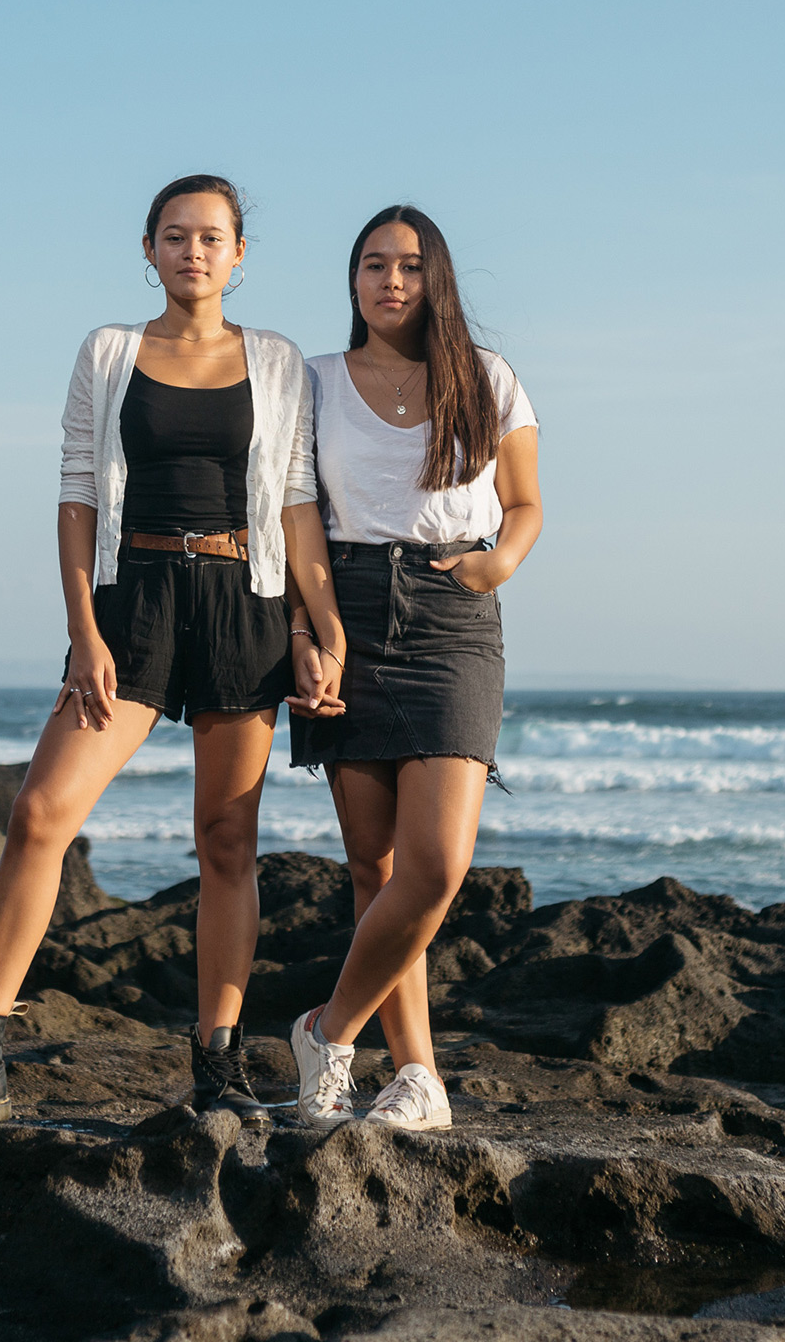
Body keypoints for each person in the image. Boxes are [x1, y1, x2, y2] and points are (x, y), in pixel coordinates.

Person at [0, 174, 346, 1131]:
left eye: (213, 237)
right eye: (175, 236)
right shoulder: (110, 351)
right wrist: (84, 629)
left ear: (240, 255)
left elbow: (297, 503)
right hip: (131, 604)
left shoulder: (279, 360)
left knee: (227, 842)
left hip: (242, 605)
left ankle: (217, 1063)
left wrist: (311, 627)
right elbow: (77, 490)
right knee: (41, 812)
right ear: (149, 249)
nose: (194, 252)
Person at [285, 205, 543, 1130]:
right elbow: (295, 517)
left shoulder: (487, 379)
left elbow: (525, 506)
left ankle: (327, 1029)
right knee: (374, 866)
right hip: (343, 607)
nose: (391, 280)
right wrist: (307, 634)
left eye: (409, 265)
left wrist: (497, 564)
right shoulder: (310, 382)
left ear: (437, 280)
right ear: (352, 282)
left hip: (453, 615)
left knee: (435, 865)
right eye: (372, 265)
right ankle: (417, 1077)